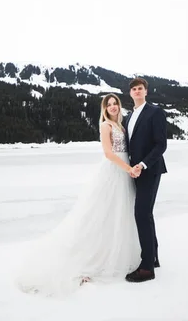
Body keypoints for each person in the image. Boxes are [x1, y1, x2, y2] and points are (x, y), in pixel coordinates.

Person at [15, 93, 141, 296]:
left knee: (120, 214)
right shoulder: (106, 126)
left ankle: (116, 252)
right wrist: (128, 168)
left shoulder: (121, 126)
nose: (112, 107)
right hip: (115, 171)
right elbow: (108, 154)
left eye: (114, 103)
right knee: (103, 214)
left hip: (125, 172)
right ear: (105, 109)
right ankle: (94, 258)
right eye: (108, 105)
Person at [123, 77, 168, 283]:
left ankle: (147, 268)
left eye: (140, 88)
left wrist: (143, 164)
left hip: (150, 170)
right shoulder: (129, 116)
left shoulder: (155, 112)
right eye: (134, 89)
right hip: (134, 171)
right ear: (130, 93)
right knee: (145, 214)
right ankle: (154, 257)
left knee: (141, 214)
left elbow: (161, 145)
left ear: (145, 92)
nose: (137, 91)